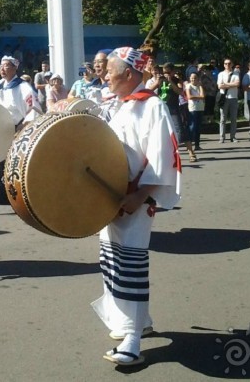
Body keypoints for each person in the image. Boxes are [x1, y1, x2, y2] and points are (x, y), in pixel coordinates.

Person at [93, 48, 181, 367]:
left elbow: (162, 157)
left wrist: (141, 195)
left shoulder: (152, 106)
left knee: (130, 261)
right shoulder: (117, 105)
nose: (104, 75)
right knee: (111, 258)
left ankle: (132, 337)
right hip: (109, 197)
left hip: (134, 198)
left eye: (110, 71)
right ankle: (137, 321)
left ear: (129, 74)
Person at [0, 54, 42, 214]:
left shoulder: (24, 87)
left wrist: (23, 127)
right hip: (2, 130)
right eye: (0, 66)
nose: (2, 69)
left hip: (19, 129)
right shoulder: (1, 85)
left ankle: (25, 201)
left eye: (6, 65)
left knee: (18, 166)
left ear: (15, 68)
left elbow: (34, 108)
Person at [217, 58, 240, 143]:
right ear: (223, 65)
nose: (227, 65)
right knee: (222, 119)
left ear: (232, 64)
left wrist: (225, 84)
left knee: (233, 118)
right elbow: (219, 86)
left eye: (229, 63)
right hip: (224, 98)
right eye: (226, 63)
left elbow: (237, 84)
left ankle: (233, 136)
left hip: (233, 97)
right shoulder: (221, 74)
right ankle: (222, 137)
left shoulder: (236, 73)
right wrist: (231, 85)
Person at [185, 72, 205, 151]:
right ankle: (189, 145)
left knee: (198, 127)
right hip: (192, 108)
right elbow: (189, 96)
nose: (193, 79)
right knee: (192, 127)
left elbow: (203, 96)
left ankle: (197, 145)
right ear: (190, 78)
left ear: (198, 79)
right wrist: (199, 97)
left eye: (195, 78)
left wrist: (200, 87)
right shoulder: (188, 86)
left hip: (200, 108)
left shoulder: (199, 86)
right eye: (192, 78)